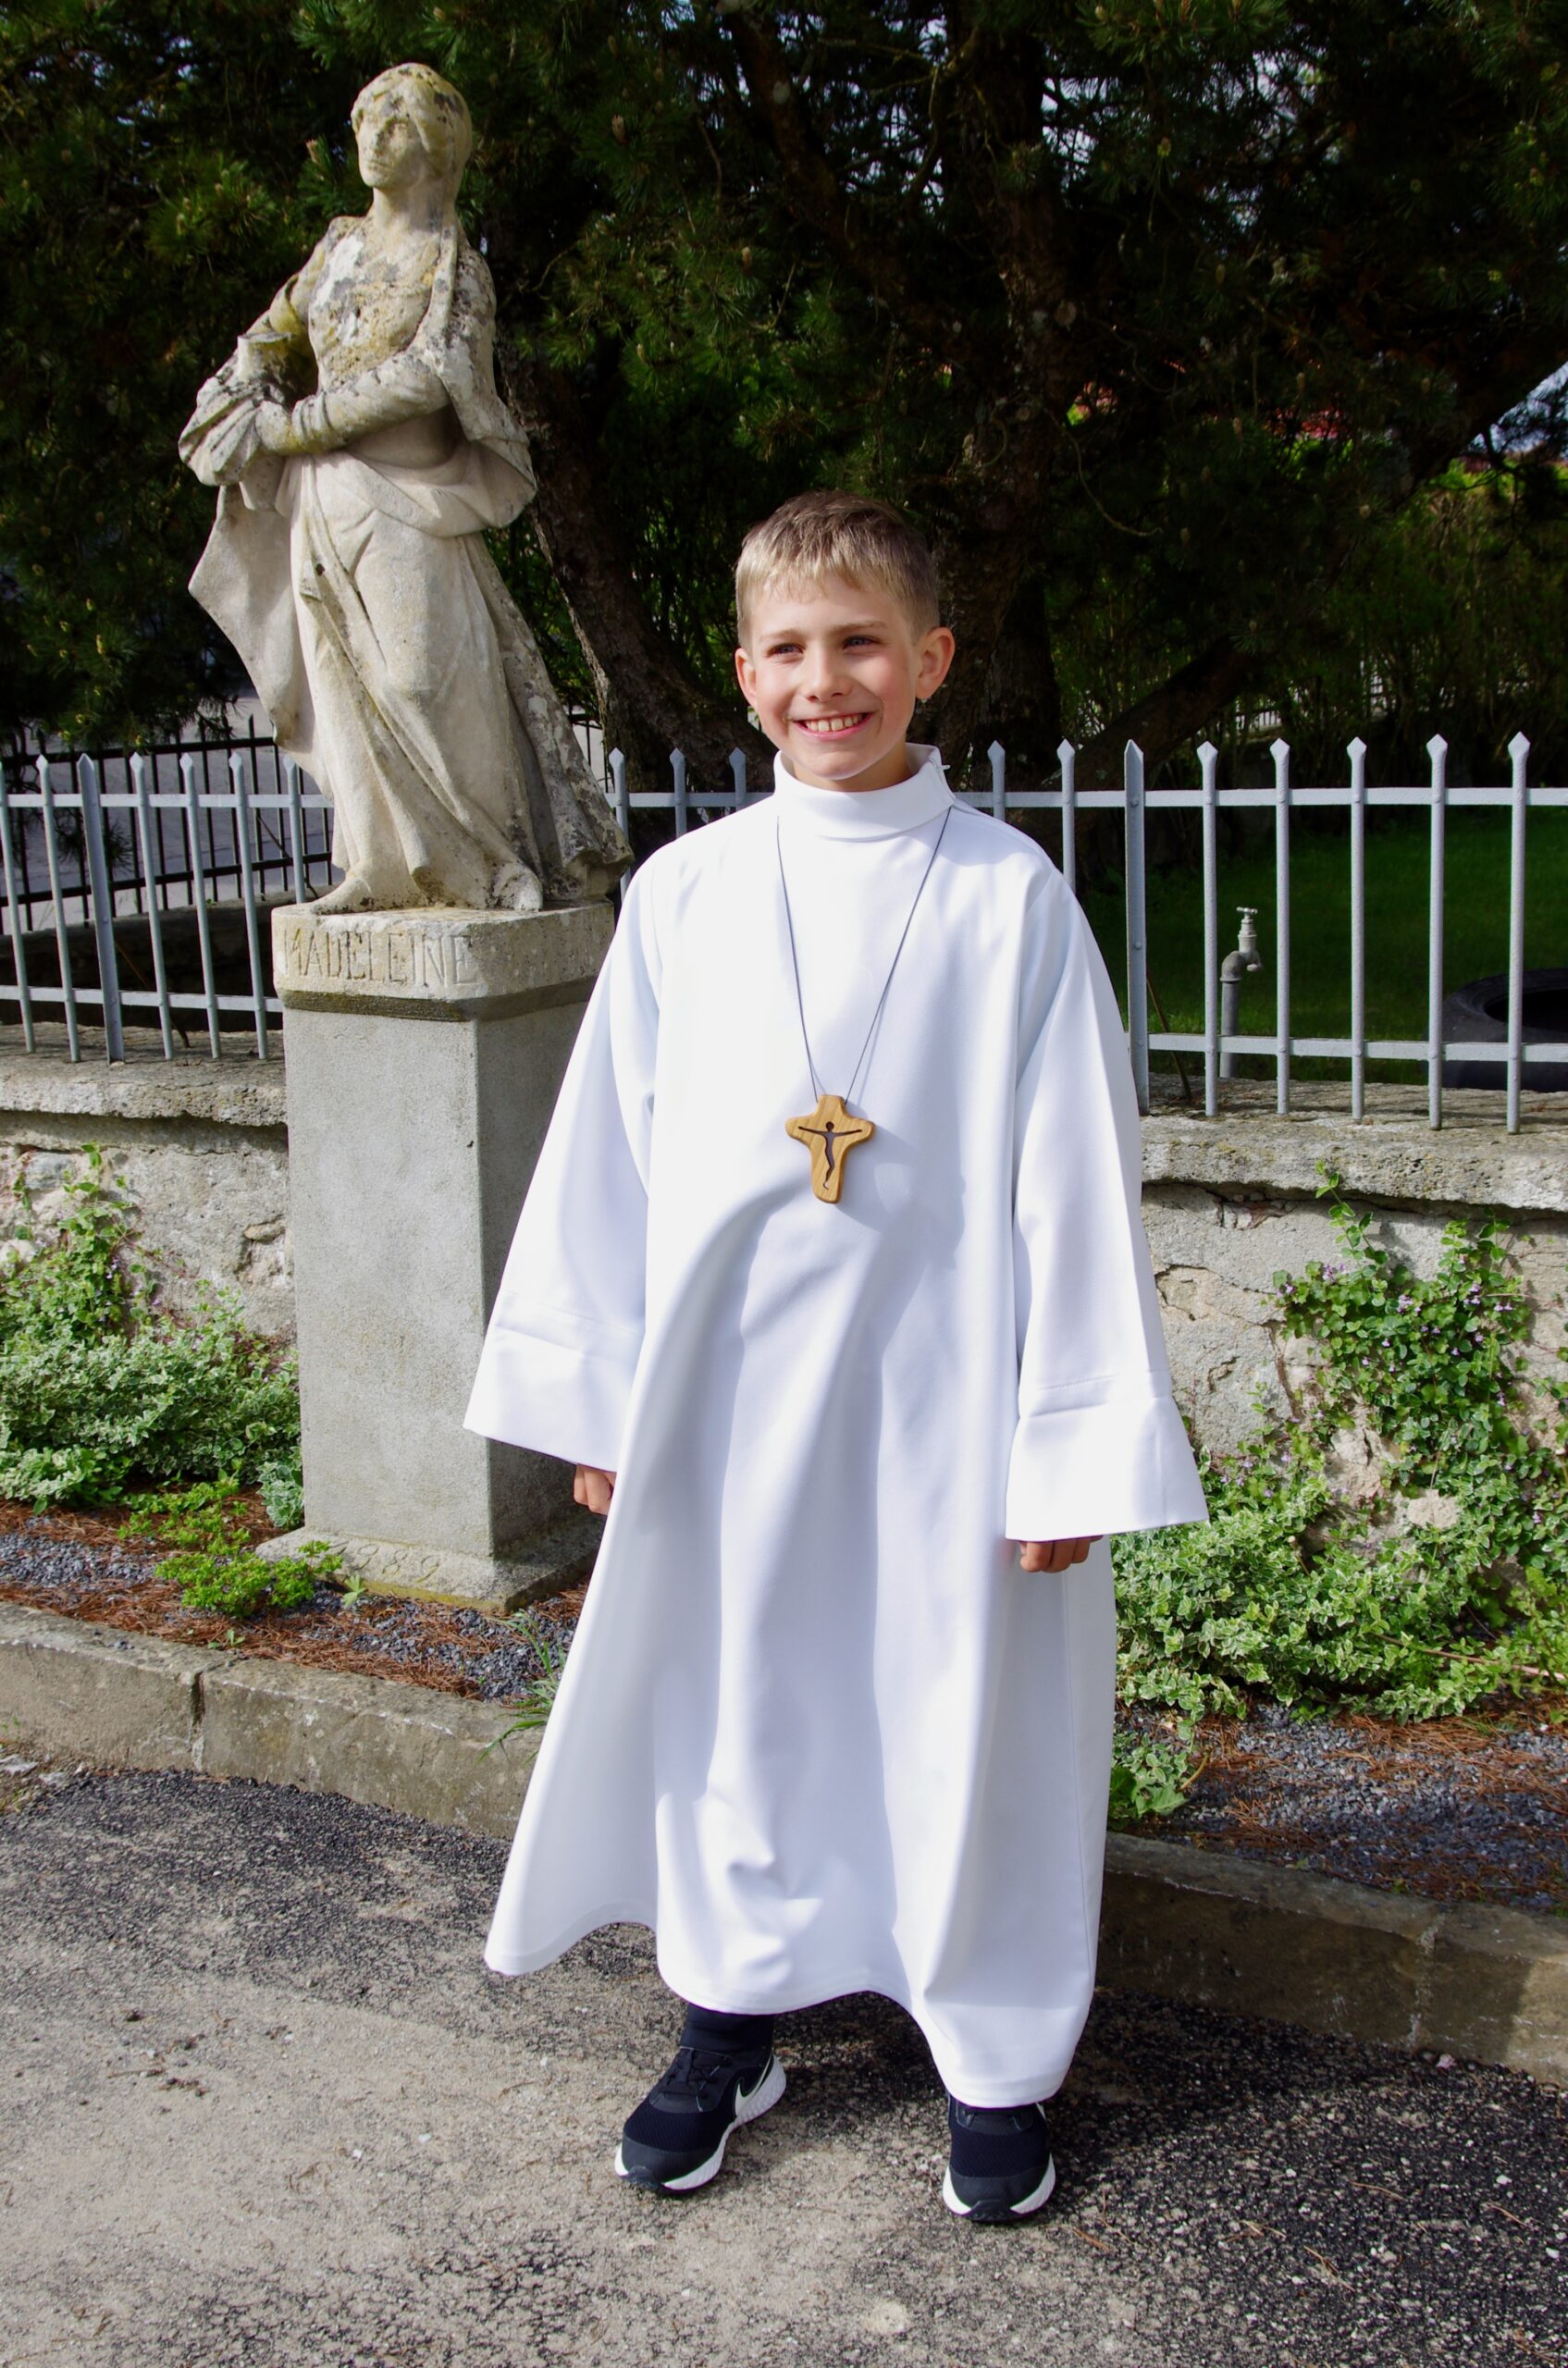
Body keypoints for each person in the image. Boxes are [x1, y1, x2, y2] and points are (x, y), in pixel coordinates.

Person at [466, 490, 1206, 2221]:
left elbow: (1075, 1179)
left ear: (930, 660)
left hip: (952, 1410)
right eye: (790, 650)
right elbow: (606, 1161)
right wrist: (599, 1400)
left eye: (861, 644)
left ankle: (996, 2059)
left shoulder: (1008, 901)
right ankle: (729, 2023)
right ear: (743, 677)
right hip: (729, 1410)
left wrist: (1069, 1442)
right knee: (741, 1703)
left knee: (970, 1716)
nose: (827, 681)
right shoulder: (686, 895)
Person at [179, 62, 628, 914]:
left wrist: (301, 425)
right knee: (343, 682)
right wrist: (243, 400)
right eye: (364, 118)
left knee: (424, 681)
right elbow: (265, 340)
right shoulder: (337, 249)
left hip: (413, 499)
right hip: (323, 498)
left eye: (395, 119)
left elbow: (433, 373)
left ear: (436, 143)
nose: (373, 135)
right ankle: (376, 868)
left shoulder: (454, 264)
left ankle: (497, 860)